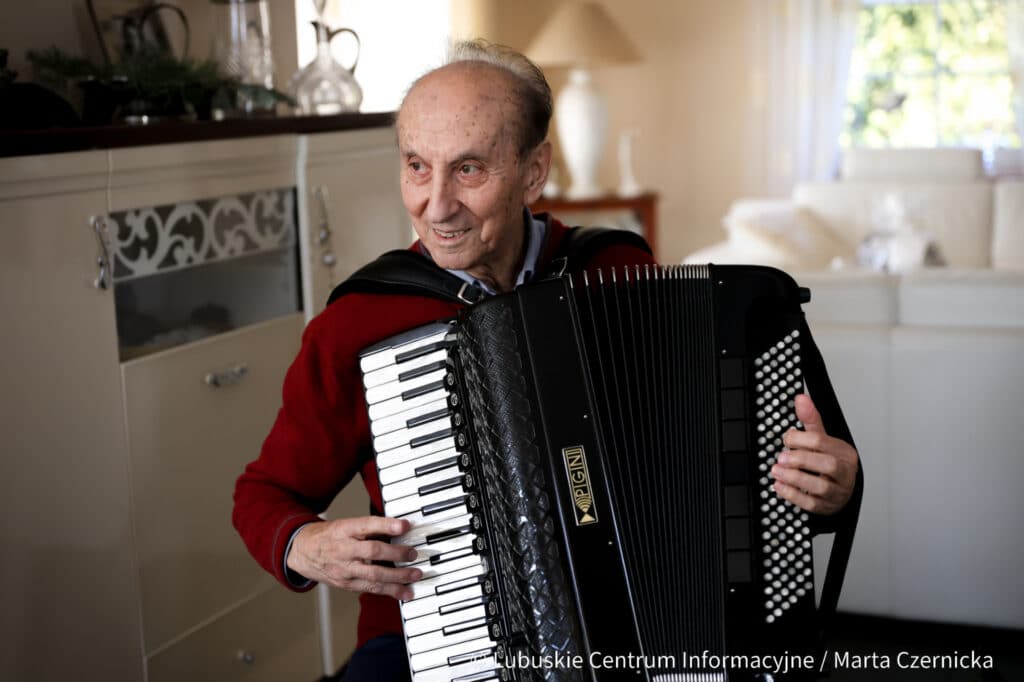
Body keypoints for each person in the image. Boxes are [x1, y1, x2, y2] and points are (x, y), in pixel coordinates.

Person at [233, 39, 862, 681]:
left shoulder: (617, 273)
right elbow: (264, 495)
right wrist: (303, 544)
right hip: (431, 650)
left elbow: (714, 475)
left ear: (534, 171)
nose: (436, 204)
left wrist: (827, 489)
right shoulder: (361, 321)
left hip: (637, 641)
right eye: (417, 166)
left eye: (470, 169)